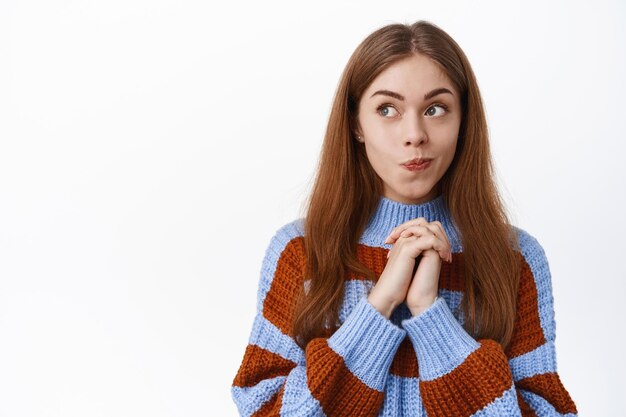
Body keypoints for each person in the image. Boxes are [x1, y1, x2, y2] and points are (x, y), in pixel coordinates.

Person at [231, 20, 578, 416]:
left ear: (463, 121)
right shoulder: (300, 251)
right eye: (387, 109)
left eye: (435, 109)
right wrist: (380, 304)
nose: (414, 134)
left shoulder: (515, 258)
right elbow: (262, 409)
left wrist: (431, 316)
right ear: (356, 125)